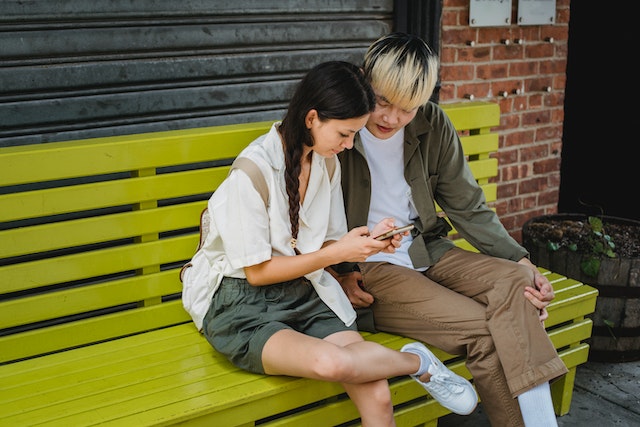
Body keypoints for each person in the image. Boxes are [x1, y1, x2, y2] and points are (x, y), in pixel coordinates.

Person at [180, 60, 478, 427]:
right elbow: (258, 273)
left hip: (305, 291)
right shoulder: (252, 172)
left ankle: (414, 365)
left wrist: (370, 241)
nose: (350, 144)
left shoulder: (326, 163)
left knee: (378, 395)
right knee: (332, 362)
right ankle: (419, 363)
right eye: (344, 134)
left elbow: (332, 238)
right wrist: (336, 254)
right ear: (312, 119)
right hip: (243, 304)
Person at [334, 33, 569, 427]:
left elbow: (468, 205)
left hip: (426, 248)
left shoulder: (431, 125)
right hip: (370, 268)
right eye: (383, 101)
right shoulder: (338, 126)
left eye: (407, 108)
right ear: (363, 79)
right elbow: (304, 219)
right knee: (492, 329)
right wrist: (337, 273)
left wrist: (522, 260)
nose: (391, 118)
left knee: (517, 284)